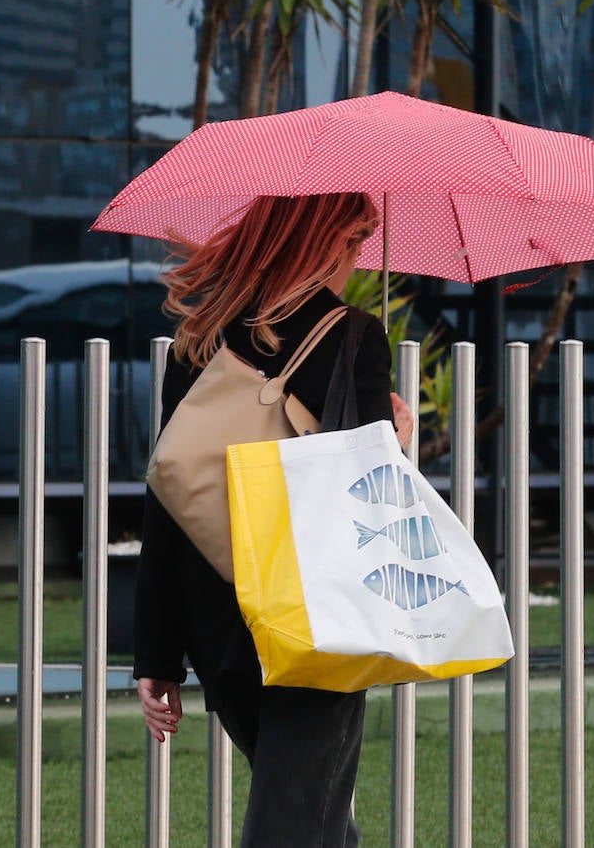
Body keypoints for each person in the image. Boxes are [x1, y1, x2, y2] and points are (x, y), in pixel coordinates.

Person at [132, 192, 413, 847]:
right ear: (322, 241)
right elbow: (363, 491)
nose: (359, 257)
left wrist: (158, 652)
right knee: (296, 822)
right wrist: (394, 442)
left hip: (214, 620)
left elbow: (169, 491)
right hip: (309, 613)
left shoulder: (200, 338)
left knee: (313, 816)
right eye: (355, 240)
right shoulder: (353, 335)